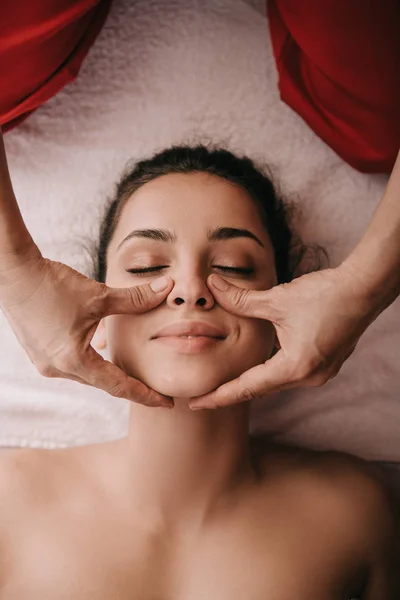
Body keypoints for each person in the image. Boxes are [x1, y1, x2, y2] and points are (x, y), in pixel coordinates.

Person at [0, 144, 398, 597]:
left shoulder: (354, 517)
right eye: (145, 266)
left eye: (234, 267)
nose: (190, 290)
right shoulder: (7, 501)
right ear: (98, 319)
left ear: (285, 318)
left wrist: (367, 287)